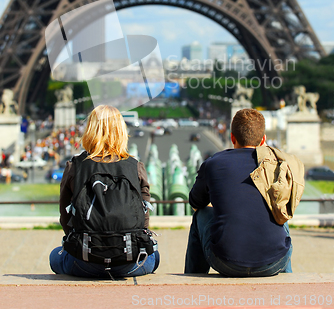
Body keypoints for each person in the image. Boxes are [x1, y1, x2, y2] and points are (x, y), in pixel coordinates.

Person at [184, 108, 298, 277]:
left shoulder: (213, 163)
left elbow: (196, 202)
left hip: (225, 261)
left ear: (232, 137)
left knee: (201, 215)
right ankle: (287, 280)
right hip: (274, 262)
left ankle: (192, 278)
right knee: (280, 213)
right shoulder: (274, 165)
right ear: (263, 140)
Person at [50, 105, 160, 278]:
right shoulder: (135, 167)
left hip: (84, 261)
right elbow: (143, 219)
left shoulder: (75, 167)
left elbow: (65, 218)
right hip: (130, 261)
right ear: (121, 132)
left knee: (54, 256)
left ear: (90, 131)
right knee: (155, 256)